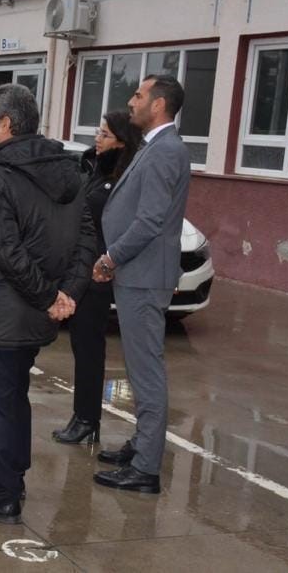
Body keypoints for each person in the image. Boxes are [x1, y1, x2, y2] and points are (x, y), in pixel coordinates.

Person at [0, 83, 96, 524]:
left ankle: (1, 495)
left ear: (7, 124)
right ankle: (12, 478)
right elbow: (87, 240)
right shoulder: (68, 169)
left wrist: (54, 295)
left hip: (0, 312)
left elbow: (3, 248)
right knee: (13, 397)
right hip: (34, 312)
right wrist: (65, 293)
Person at [92, 75, 190, 495]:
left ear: (159, 104)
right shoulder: (154, 145)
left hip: (144, 276)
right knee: (137, 367)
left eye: (138, 95)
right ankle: (141, 445)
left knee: (146, 371)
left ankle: (146, 467)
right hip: (138, 274)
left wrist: (111, 257)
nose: (131, 102)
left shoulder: (166, 150)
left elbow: (150, 221)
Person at [52, 111, 141, 445]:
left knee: (89, 347)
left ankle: (87, 419)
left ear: (122, 141)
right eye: (98, 132)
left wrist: (106, 260)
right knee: (80, 345)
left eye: (105, 134)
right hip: (79, 266)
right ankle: (83, 416)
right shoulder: (90, 166)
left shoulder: (124, 178)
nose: (97, 139)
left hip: (99, 272)